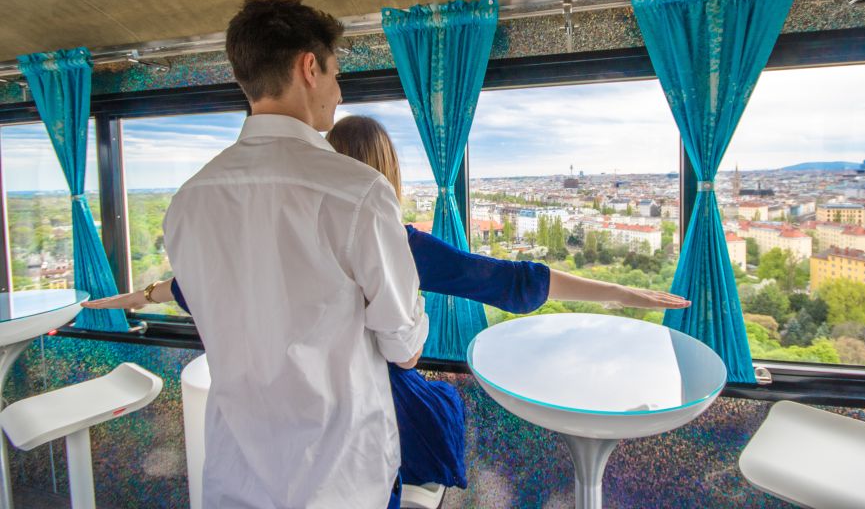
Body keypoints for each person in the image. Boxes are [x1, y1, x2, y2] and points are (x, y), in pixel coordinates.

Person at [86, 113, 690, 499]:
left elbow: (187, 288)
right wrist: (625, 295)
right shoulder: (391, 240)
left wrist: (127, 297)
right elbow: (511, 281)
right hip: (357, 424)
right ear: (384, 174)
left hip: (258, 443)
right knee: (438, 403)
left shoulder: (260, 237)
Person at [158, 0, 426, 509]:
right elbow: (405, 349)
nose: (338, 90)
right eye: (335, 73)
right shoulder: (360, 193)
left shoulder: (187, 202)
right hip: (341, 480)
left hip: (235, 476)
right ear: (309, 67)